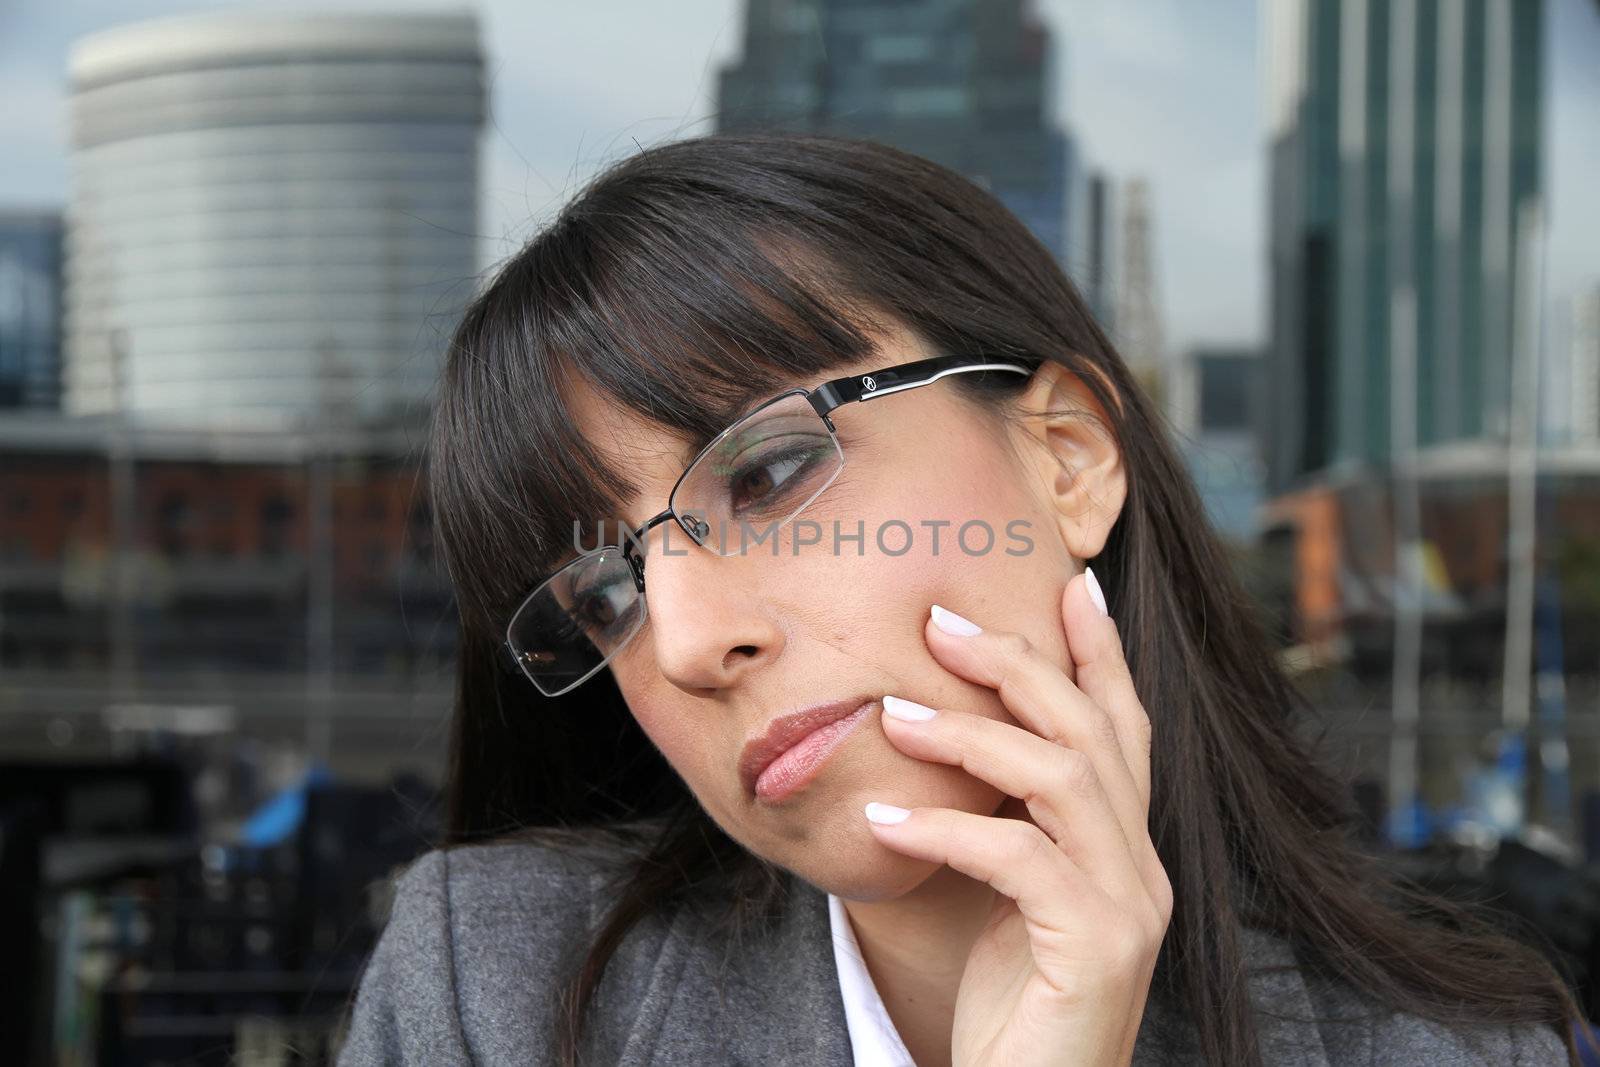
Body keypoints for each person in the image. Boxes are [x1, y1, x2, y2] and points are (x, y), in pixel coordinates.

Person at [335, 132, 1586, 1066]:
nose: (695, 637)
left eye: (767, 471)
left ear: (1067, 460)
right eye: (605, 595)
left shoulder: (1460, 1050)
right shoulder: (488, 994)